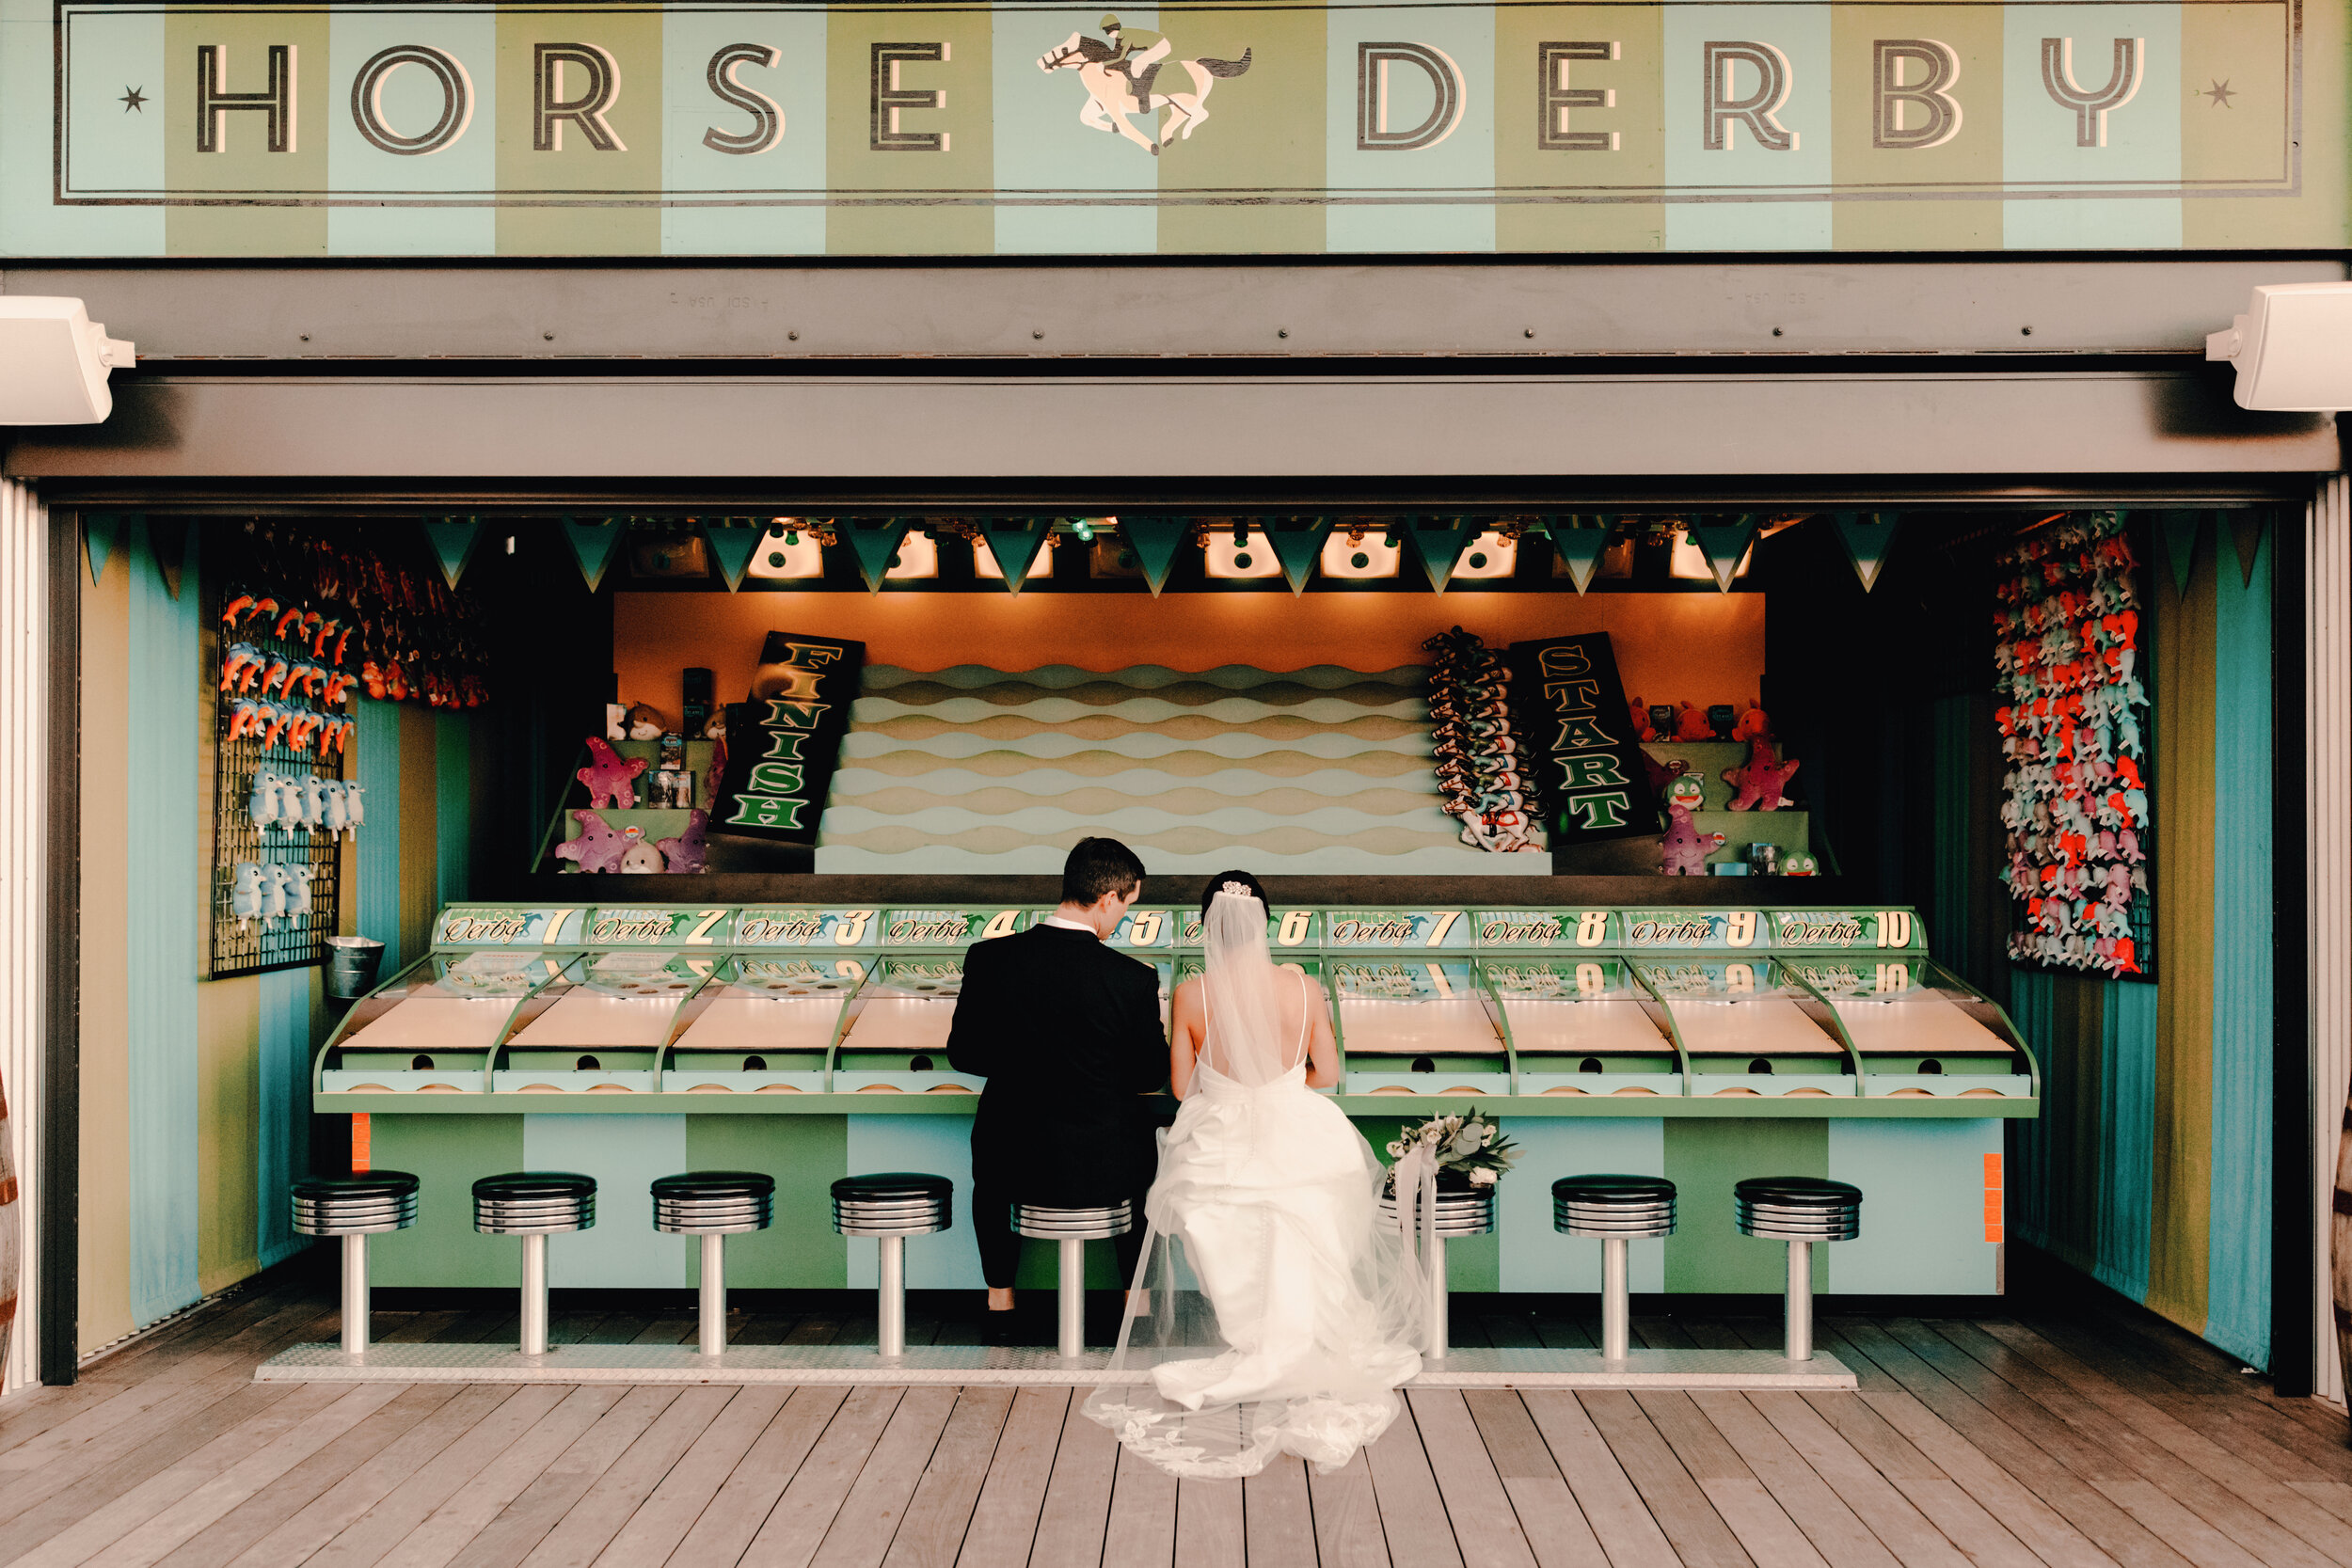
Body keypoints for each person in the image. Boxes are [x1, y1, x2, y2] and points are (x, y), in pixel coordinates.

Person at [1084, 871, 1425, 1479]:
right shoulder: (1303, 986)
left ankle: (1260, 1343)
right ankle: (1299, 1343)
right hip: (1302, 1132)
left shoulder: (1190, 993)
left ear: (1208, 926)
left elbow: (1184, 1088)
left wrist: (1231, 1087)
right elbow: (1328, 1071)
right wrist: (1279, 1084)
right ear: (1265, 922)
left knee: (1234, 1239)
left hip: (1221, 1140)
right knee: (1304, 1239)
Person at [946, 836, 1167, 1321]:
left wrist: (1026, 1060)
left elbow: (962, 1054)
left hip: (1013, 1160)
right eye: (1127, 908)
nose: (1122, 920)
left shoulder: (987, 959)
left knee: (992, 1165)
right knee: (1148, 1160)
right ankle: (1137, 1304)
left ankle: (999, 1297)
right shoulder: (1133, 978)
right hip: (1106, 1166)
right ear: (1108, 899)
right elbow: (1151, 1073)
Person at [1100, 14, 1171, 108]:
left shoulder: (1125, 36)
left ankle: (1142, 96)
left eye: (1109, 30)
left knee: (1136, 63)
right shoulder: (1119, 37)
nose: (1109, 34)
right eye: (1107, 31)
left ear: (1115, 28)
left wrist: (1104, 64)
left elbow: (1121, 58)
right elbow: (1115, 54)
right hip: (1156, 45)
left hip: (1161, 45)